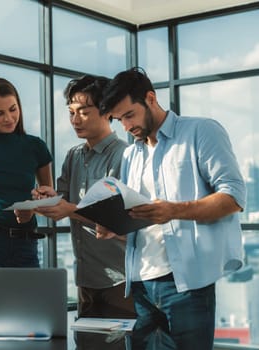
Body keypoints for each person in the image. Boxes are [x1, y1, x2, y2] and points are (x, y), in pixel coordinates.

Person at [97, 67, 246, 349]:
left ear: (150, 99)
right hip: (140, 284)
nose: (126, 127)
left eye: (129, 115)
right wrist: (115, 226)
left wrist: (173, 211)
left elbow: (234, 196)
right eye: (119, 120)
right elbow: (140, 220)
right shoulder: (130, 155)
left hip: (186, 286)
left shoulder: (201, 131)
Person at [33, 75, 136, 319]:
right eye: (71, 112)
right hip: (85, 278)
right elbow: (64, 202)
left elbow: (118, 219)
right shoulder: (73, 156)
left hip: (119, 280)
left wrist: (68, 208)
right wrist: (47, 198)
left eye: (84, 112)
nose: (75, 120)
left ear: (106, 111)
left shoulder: (123, 155)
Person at [0, 77, 53, 267]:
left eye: (13, 109)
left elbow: (48, 199)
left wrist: (32, 209)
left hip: (26, 242)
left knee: (29, 297)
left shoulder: (36, 146)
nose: (8, 118)